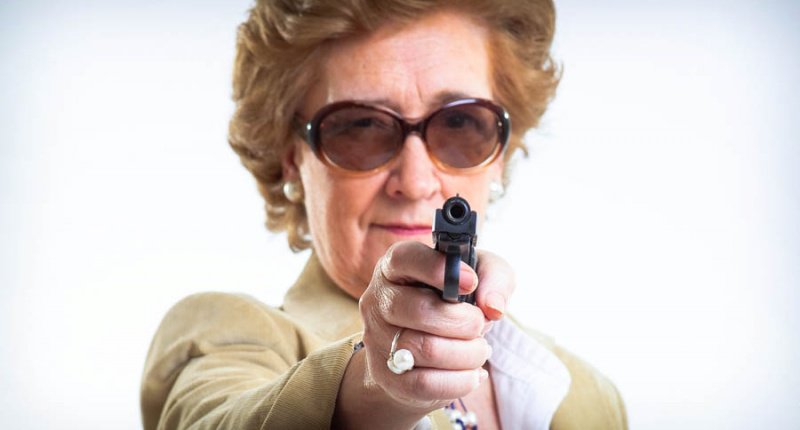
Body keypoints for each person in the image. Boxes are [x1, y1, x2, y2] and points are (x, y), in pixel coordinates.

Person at [140, 0, 628, 428]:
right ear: (291, 157)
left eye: (459, 123)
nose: (415, 182)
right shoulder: (227, 336)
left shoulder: (586, 395)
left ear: (500, 151)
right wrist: (376, 389)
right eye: (361, 128)